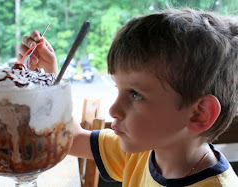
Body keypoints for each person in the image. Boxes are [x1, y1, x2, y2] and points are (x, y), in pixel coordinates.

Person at [18, 8, 238, 186]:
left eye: (136, 94)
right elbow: (71, 138)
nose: (113, 109)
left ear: (199, 114)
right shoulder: (143, 151)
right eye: (117, 88)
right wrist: (48, 77)